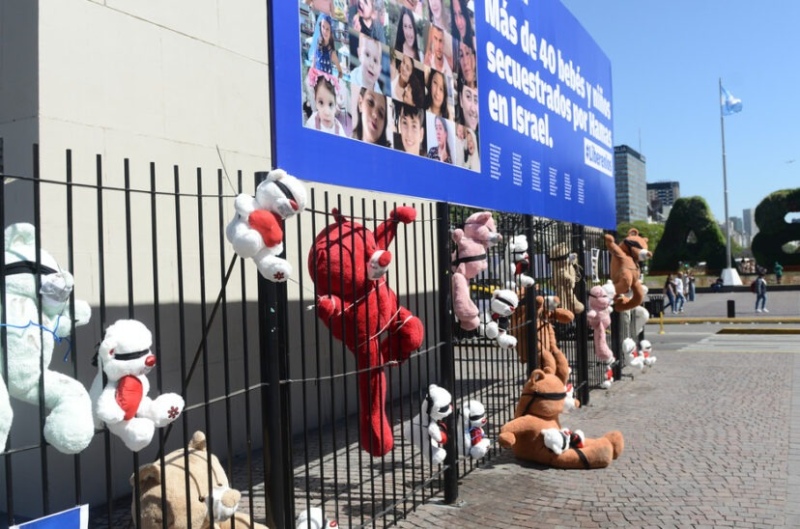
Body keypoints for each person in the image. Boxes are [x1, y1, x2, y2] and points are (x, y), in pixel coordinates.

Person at [305, 69, 348, 137]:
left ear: (336, 104)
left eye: (330, 104)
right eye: (321, 103)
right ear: (315, 101)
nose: (327, 113)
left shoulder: (339, 129)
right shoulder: (311, 123)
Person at [308, 13, 344, 77]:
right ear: (320, 26)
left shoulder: (331, 52)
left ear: (330, 32)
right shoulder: (317, 46)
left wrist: (336, 82)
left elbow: (340, 72)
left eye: (327, 29)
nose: (324, 31)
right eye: (323, 27)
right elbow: (313, 66)